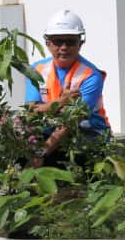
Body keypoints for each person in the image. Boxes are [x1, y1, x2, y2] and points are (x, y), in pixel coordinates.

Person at [25, 9, 110, 167]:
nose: (64, 47)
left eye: (70, 41)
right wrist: (62, 101)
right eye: (58, 41)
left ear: (80, 43)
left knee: (68, 156)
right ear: (48, 43)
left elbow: (71, 123)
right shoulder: (37, 70)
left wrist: (41, 153)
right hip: (50, 130)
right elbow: (30, 112)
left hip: (88, 133)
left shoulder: (91, 76)